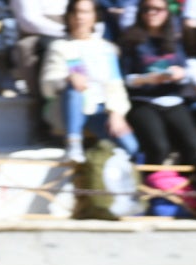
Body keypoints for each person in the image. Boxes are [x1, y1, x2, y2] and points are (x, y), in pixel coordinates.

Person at [41, 0, 140, 162]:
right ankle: (73, 144)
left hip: (99, 110)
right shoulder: (59, 46)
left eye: (85, 12)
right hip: (70, 108)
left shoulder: (106, 49)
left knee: (130, 147)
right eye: (76, 12)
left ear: (94, 17)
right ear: (69, 16)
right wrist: (67, 79)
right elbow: (47, 86)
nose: (80, 17)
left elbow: (115, 85)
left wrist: (117, 113)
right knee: (74, 89)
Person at [118, 0, 196, 165]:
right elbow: (125, 78)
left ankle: (182, 186)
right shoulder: (131, 39)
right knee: (159, 147)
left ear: (166, 12)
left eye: (157, 9)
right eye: (146, 9)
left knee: (193, 144)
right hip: (142, 101)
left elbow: (187, 70)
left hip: (172, 99)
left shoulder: (175, 39)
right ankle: (152, 186)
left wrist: (181, 74)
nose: (151, 13)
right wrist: (146, 79)